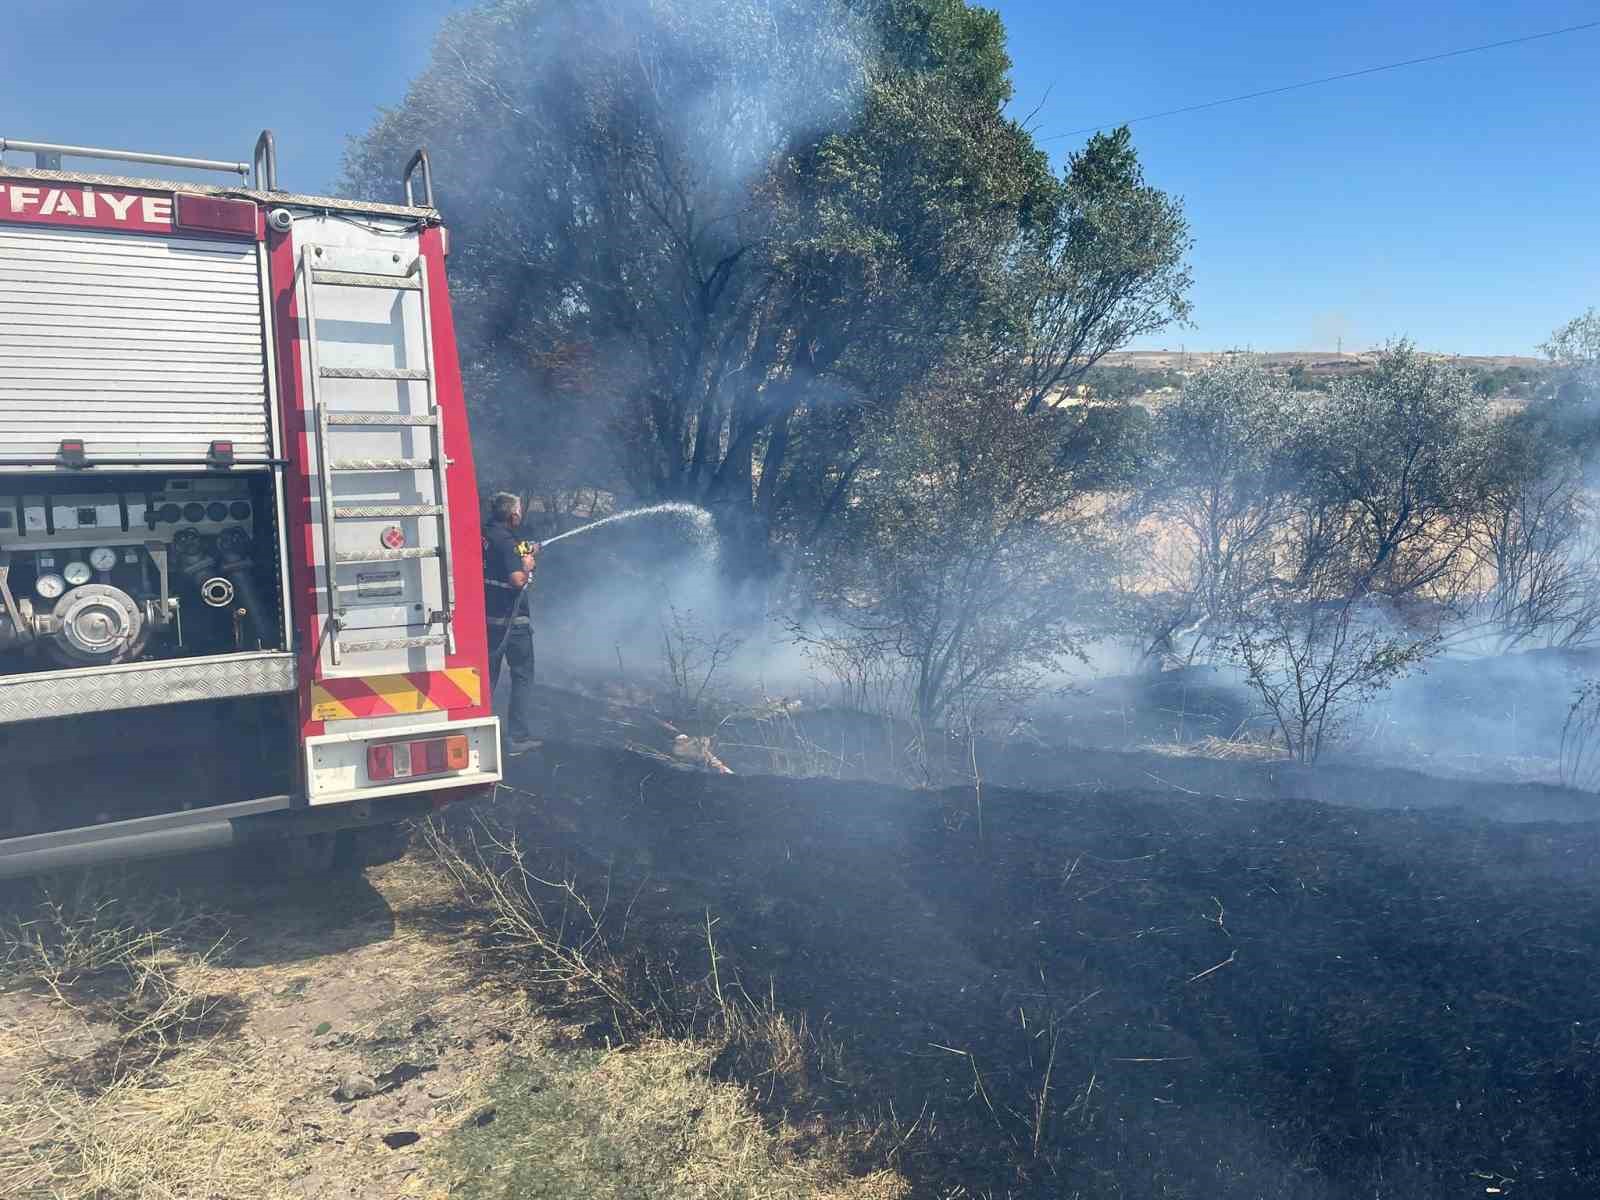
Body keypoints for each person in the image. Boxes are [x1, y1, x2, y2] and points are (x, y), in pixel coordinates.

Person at [482, 492, 540, 754]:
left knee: (487, 679)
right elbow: (517, 579)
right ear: (513, 514)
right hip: (512, 624)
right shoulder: (507, 542)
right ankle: (517, 738)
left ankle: (478, 730)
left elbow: (504, 553)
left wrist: (526, 549)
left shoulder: (486, 533)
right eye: (519, 511)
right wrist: (527, 565)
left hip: (487, 621)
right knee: (522, 677)